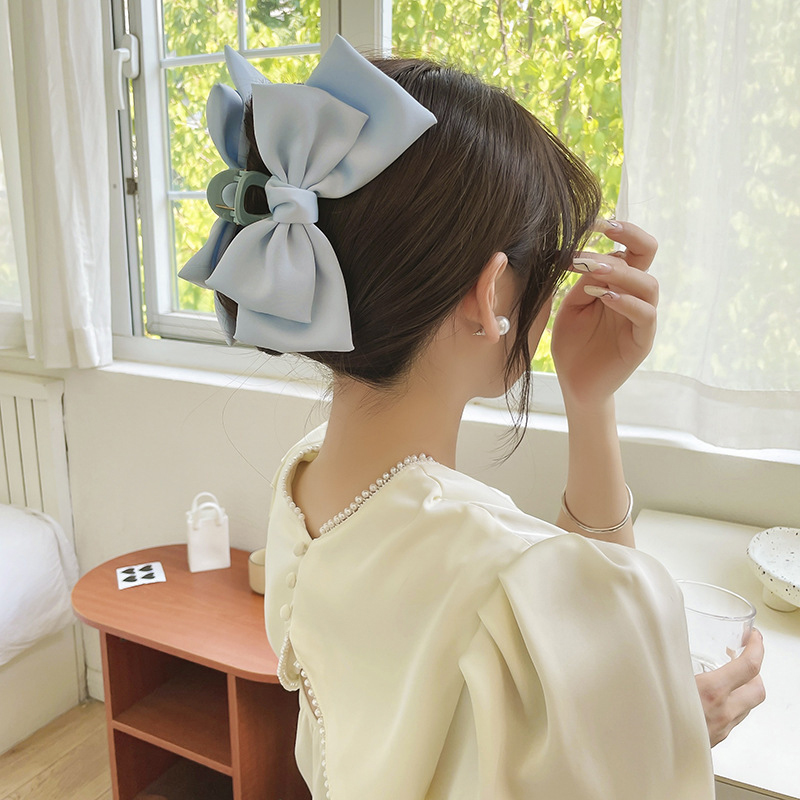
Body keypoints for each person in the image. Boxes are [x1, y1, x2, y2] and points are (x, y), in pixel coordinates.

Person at [181, 35, 765, 799]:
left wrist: (589, 399)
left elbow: (583, 613)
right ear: (492, 294)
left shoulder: (308, 482)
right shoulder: (504, 575)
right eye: (546, 269)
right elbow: (596, 649)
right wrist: (669, 725)